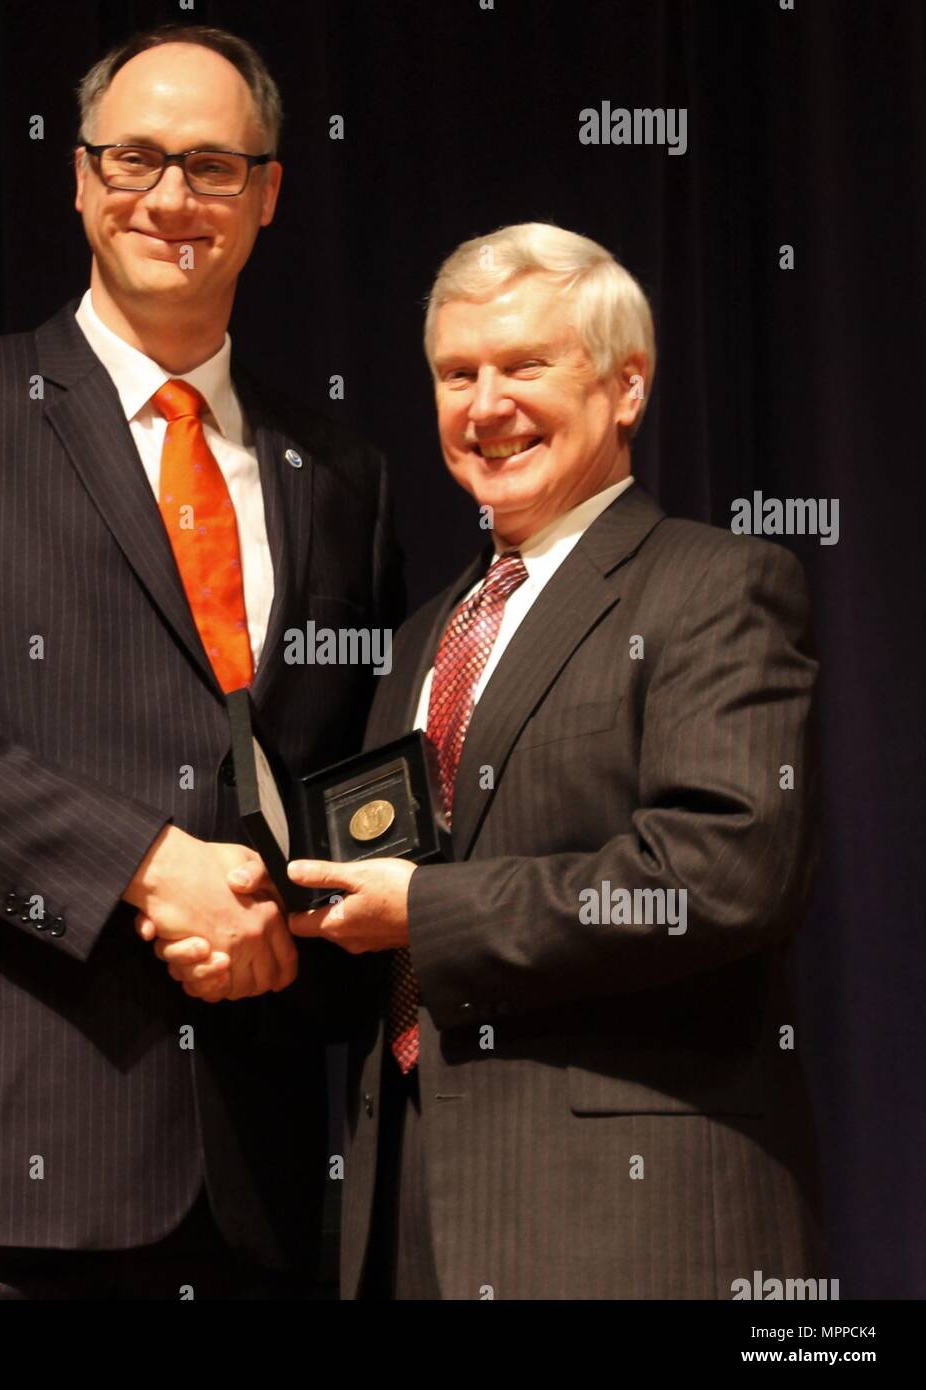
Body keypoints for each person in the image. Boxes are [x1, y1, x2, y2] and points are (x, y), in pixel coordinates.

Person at [0, 23, 401, 1299]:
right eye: (132, 160)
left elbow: (346, 776)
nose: (170, 197)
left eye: (213, 166)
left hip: (251, 1180)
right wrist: (139, 864)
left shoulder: (342, 470)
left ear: (270, 191)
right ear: (77, 179)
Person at [277, 222, 827, 1298]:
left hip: (628, 1228)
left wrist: (424, 911)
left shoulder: (715, 584)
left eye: (525, 365)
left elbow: (723, 872)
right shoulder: (420, 635)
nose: (485, 405)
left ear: (627, 388)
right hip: (402, 1220)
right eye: (456, 373)